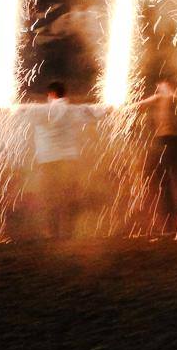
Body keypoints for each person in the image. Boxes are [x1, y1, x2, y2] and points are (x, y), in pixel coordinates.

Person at [18, 81, 109, 239]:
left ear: (51, 94)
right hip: (69, 160)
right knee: (69, 196)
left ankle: (53, 234)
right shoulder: (74, 110)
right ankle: (69, 233)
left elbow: (9, 109)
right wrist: (143, 102)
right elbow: (106, 110)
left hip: (48, 162)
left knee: (50, 197)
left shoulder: (40, 110)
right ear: (64, 94)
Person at [133, 80, 177, 233]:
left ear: (168, 86)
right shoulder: (161, 99)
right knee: (168, 181)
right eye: (159, 86)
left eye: (162, 85)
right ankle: (172, 223)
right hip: (167, 142)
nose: (159, 88)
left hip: (175, 142)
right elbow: (140, 104)